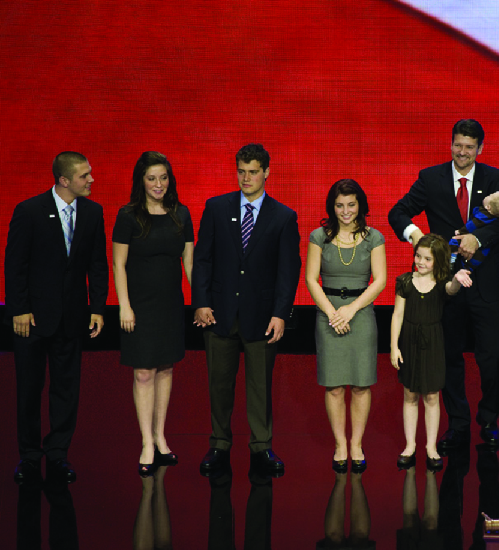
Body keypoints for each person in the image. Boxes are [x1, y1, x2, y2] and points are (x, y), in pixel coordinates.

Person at [388, 119, 499, 453]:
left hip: (486, 282)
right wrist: (416, 236)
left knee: (494, 355)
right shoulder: (431, 178)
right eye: (458, 145)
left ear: (480, 148)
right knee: (449, 355)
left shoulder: (494, 177)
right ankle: (457, 424)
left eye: (469, 147)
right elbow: (398, 212)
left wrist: (479, 236)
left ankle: (488, 420)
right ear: (451, 144)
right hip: (444, 284)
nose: (462, 152)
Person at [192, 143, 301, 477]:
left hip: (262, 316)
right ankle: (219, 444)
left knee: (260, 387)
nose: (246, 178)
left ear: (267, 172)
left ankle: (261, 446)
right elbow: (203, 259)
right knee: (219, 385)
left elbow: (288, 270)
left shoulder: (283, 216)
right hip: (219, 312)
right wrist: (201, 302)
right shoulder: (216, 207)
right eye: (241, 171)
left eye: (253, 171)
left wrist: (281, 313)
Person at [5, 151, 108, 484]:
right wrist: (18, 309)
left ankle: (58, 454)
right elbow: (15, 265)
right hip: (32, 319)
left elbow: (97, 264)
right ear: (64, 180)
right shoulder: (29, 211)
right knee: (30, 389)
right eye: (84, 175)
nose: (91, 180)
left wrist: (97, 308)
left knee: (66, 389)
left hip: (72, 318)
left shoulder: (93, 213)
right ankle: (30, 456)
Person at [112, 151, 194, 477]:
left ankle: (161, 437)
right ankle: (146, 440)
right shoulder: (128, 215)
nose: (158, 184)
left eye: (163, 178)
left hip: (171, 305)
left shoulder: (181, 214)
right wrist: (124, 305)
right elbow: (118, 264)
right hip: (139, 306)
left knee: (165, 368)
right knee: (143, 372)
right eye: (151, 178)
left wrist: (200, 300)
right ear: (141, 181)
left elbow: (189, 263)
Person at [305, 179, 387, 474]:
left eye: (351, 204)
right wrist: (332, 313)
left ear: (360, 205)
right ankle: (340, 443)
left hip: (361, 314)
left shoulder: (374, 238)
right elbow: (311, 279)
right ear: (332, 207)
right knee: (335, 385)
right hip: (328, 315)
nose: (345, 211)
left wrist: (350, 310)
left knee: (362, 384)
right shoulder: (319, 237)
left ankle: (357, 444)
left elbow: (380, 281)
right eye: (339, 205)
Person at [391, 234, 473, 471]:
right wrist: (394, 346)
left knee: (432, 396)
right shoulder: (405, 281)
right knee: (410, 394)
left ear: (438, 261)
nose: (421, 262)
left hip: (434, 342)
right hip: (409, 342)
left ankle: (431, 447)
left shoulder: (442, 282)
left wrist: (457, 278)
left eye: (427, 258)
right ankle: (409, 445)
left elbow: (451, 289)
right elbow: (397, 315)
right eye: (418, 256)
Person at [449, 191, 499, 271]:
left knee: (453, 242)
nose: (487, 195)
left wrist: (461, 231)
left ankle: (451, 261)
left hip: (471, 243)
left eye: (489, 195)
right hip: (484, 250)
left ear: (488, 207)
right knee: (470, 265)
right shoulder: (494, 217)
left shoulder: (482, 216)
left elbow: (471, 225)